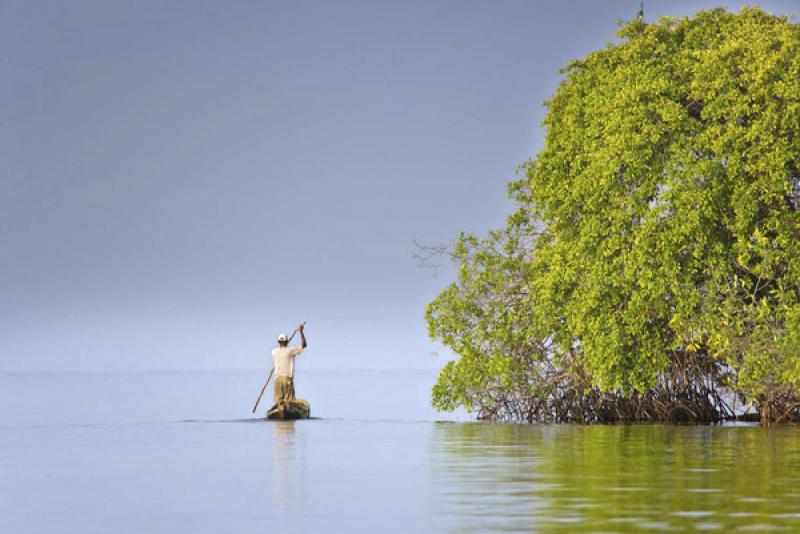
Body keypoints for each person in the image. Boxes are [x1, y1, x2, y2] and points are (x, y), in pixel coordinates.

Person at [272, 324, 307, 413]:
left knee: (279, 402)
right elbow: (304, 345)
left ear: (278, 342)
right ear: (287, 341)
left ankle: (280, 421)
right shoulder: (290, 351)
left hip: (277, 379)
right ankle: (287, 422)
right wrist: (301, 332)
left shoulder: (274, 352)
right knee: (288, 401)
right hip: (287, 379)